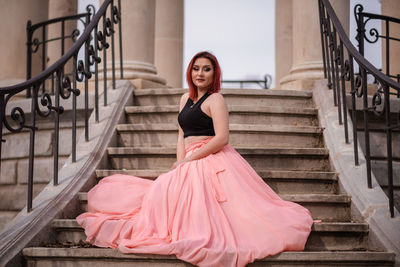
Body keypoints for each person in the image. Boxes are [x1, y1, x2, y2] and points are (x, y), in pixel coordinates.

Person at [76, 51, 314, 267]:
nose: (200, 73)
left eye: (207, 69)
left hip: (212, 157)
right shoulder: (184, 99)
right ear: (190, 71)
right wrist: (180, 164)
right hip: (188, 160)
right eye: (196, 68)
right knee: (161, 193)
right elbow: (181, 134)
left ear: (214, 74)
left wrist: (191, 160)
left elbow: (222, 138)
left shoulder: (216, 100)